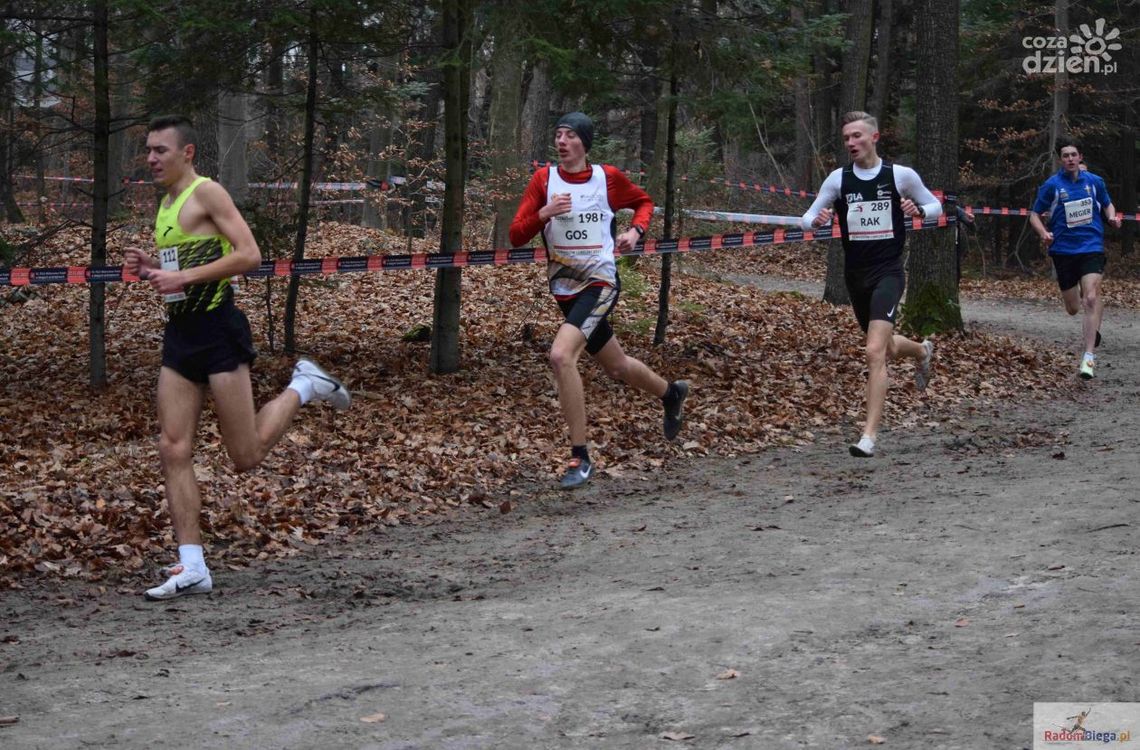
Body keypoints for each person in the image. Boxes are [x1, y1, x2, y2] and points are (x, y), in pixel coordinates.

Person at [125, 115, 351, 600]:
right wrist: (153, 268)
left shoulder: (208, 192)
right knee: (173, 446)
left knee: (244, 455)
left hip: (219, 333)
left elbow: (249, 255)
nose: (151, 159)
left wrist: (183, 279)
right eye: (148, 150)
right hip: (181, 335)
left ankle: (304, 385)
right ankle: (193, 566)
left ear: (187, 153)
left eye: (160, 150)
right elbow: (183, 266)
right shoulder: (167, 204)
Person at [509, 111, 688, 489]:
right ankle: (671, 393)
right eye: (557, 134)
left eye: (570, 135)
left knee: (561, 356)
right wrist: (544, 213)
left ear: (583, 143)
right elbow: (515, 235)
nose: (561, 141)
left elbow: (643, 202)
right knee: (618, 367)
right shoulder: (544, 180)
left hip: (601, 282)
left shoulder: (606, 178)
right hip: (564, 287)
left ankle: (581, 457)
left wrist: (636, 233)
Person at [801, 111, 943, 458]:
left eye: (857, 136)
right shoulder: (839, 179)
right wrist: (816, 220)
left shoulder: (900, 175)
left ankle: (868, 436)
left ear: (874, 138)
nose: (850, 142)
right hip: (856, 276)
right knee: (887, 349)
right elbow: (806, 218)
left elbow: (935, 205)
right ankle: (922, 350)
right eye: (846, 137)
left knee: (873, 351)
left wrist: (919, 212)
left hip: (889, 273)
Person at [1029, 138, 1122, 379]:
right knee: (1073, 307)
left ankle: (1088, 358)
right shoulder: (1052, 185)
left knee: (1090, 298)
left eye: (1074, 155)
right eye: (1065, 155)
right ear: (1061, 160)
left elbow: (1108, 204)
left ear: (1080, 157)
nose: (1070, 159)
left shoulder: (1094, 182)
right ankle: (1093, 322)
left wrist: (1112, 217)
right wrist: (1044, 233)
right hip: (1063, 251)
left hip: (1091, 246)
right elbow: (1034, 215)